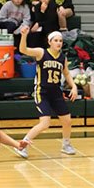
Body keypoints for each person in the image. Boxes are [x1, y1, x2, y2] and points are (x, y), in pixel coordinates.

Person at [14, 28, 78, 158]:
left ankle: (66, 145)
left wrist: (74, 86)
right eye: (56, 40)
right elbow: (23, 50)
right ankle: (22, 145)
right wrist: (24, 36)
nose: (58, 43)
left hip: (56, 92)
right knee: (45, 123)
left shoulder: (62, 57)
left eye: (60, 41)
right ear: (50, 42)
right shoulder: (41, 52)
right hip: (41, 92)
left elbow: (66, 73)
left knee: (67, 120)